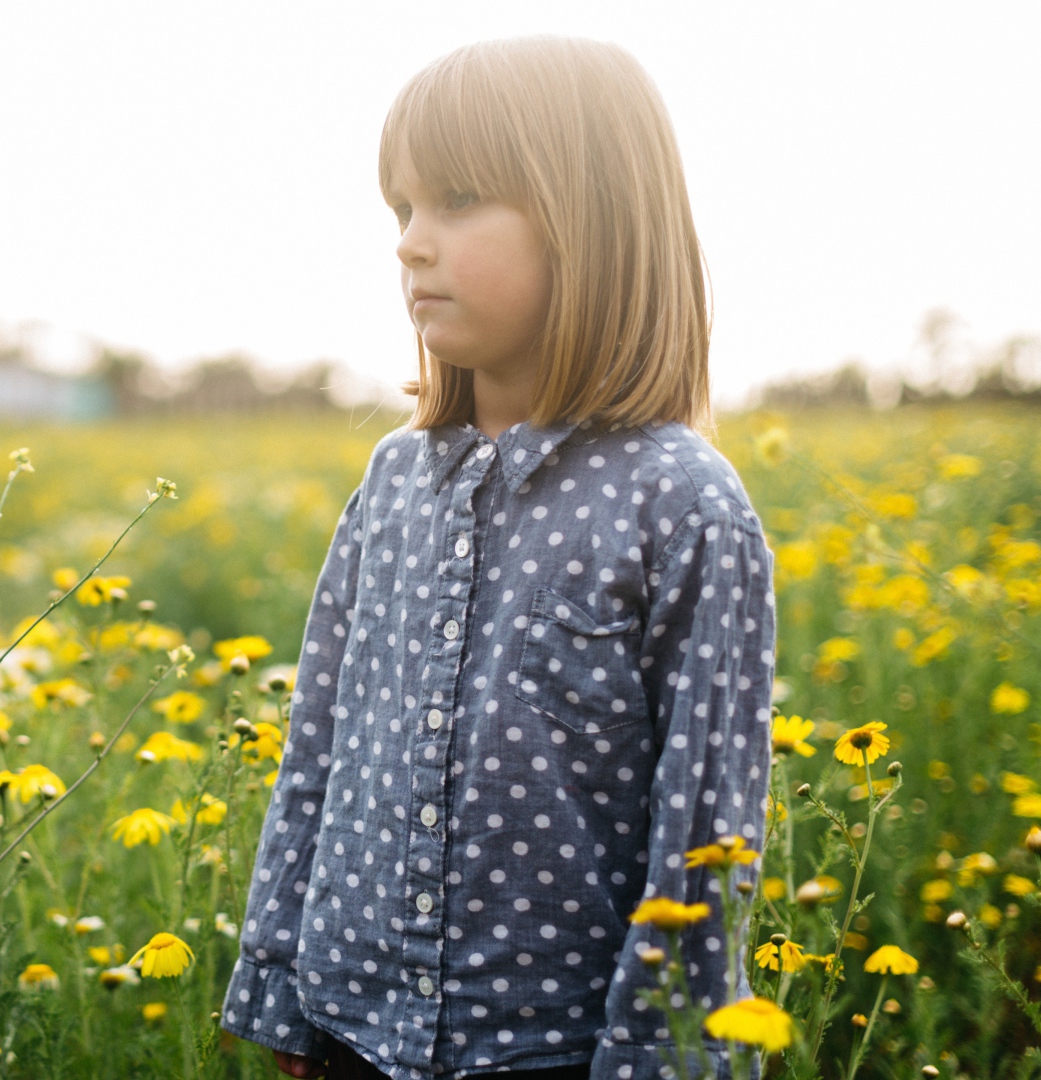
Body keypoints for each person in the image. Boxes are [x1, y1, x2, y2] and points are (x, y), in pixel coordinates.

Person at [221, 36, 776, 1080]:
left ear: (596, 225)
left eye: (461, 198)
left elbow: (707, 829)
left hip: (550, 1051)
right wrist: (281, 989)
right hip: (352, 1030)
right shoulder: (392, 480)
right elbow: (318, 750)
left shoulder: (682, 503)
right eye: (402, 210)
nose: (411, 244)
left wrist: (663, 1060)